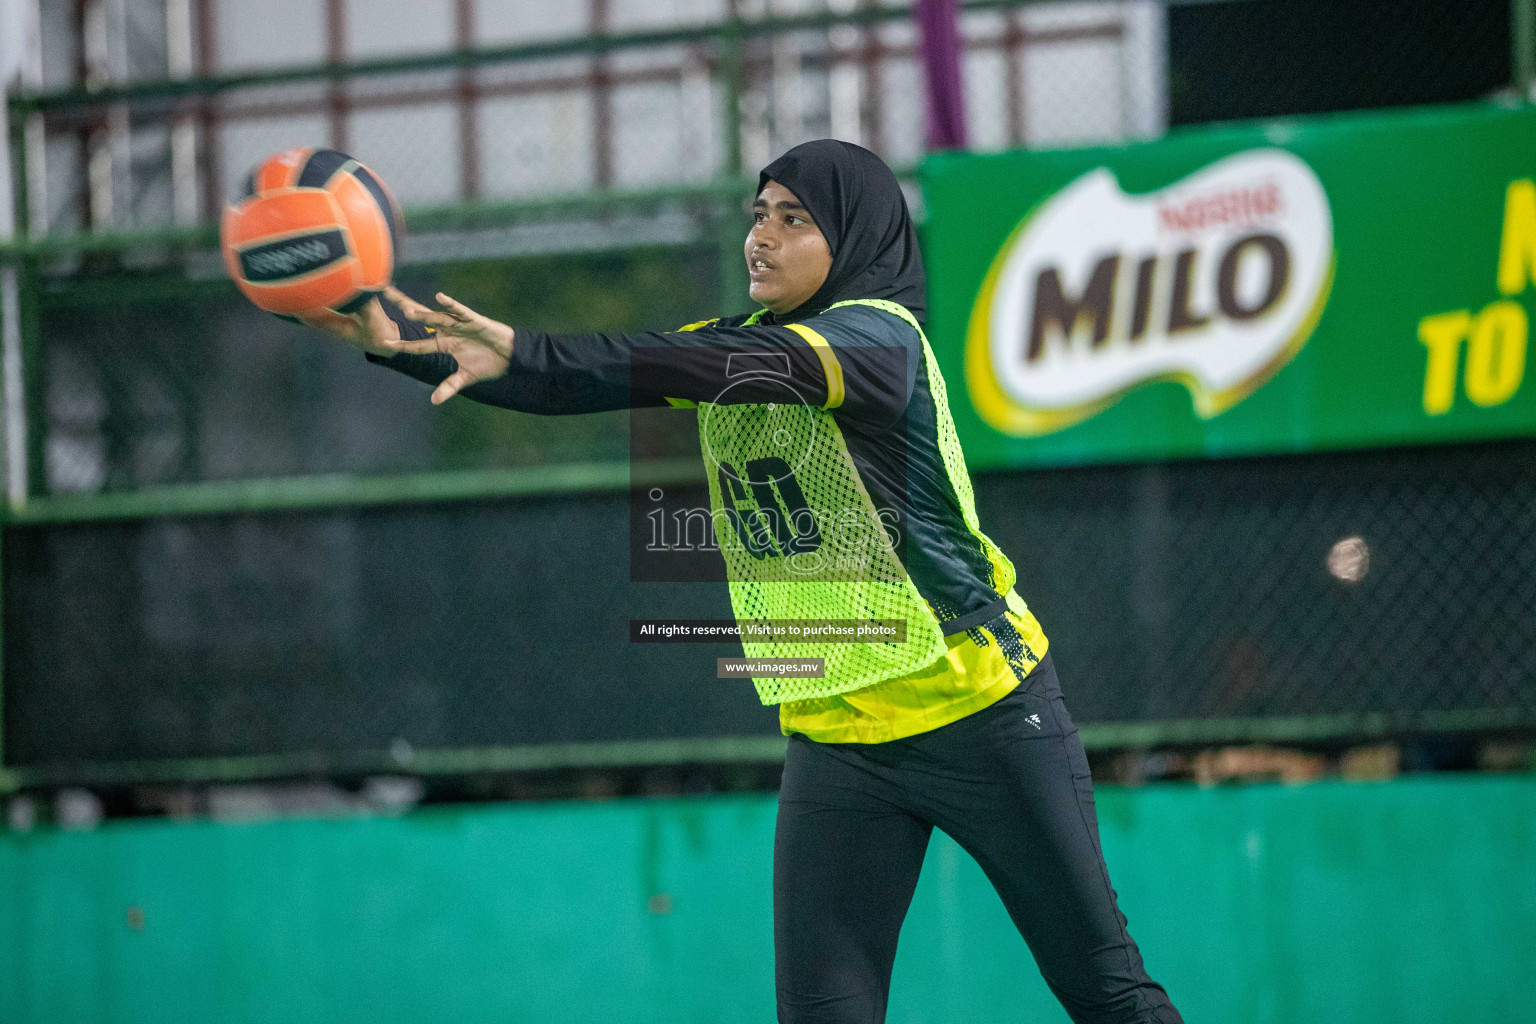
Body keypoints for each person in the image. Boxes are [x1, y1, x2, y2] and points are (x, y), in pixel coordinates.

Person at [304, 139, 1182, 1024]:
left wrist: (539, 348)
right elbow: (576, 376)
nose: (761, 236)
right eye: (759, 214)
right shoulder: (730, 346)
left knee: (1104, 989)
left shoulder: (880, 340)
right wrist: (400, 344)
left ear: (854, 235)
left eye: (794, 219)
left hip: (985, 714)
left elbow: (700, 368)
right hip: (838, 732)